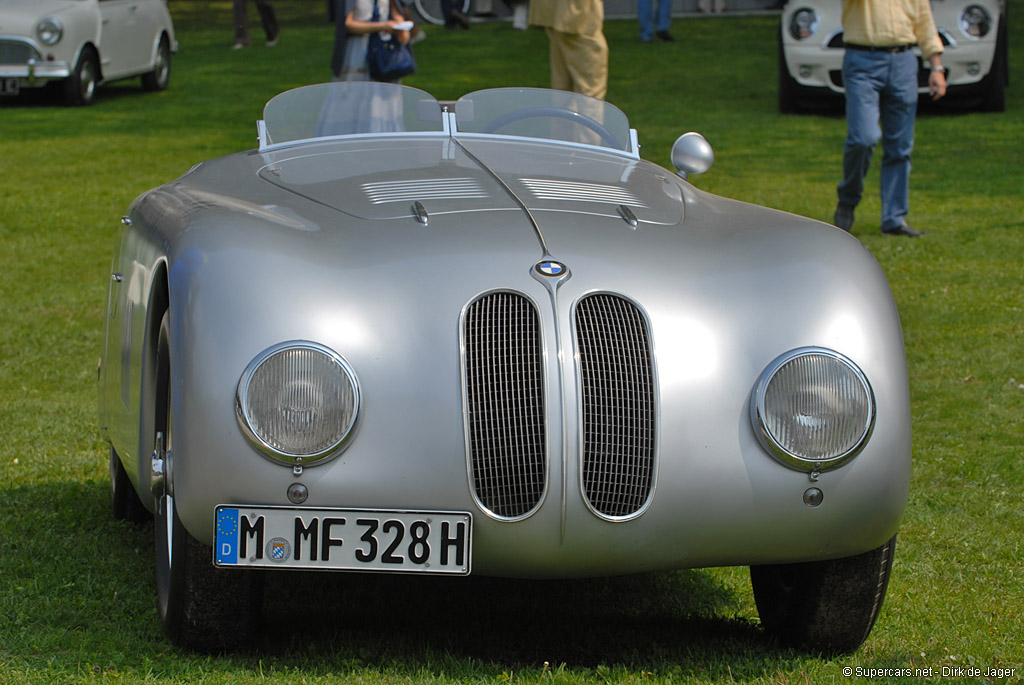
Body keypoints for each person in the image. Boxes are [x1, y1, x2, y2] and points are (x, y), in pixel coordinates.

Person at [833, 0, 946, 237]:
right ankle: (848, 198)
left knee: (900, 147)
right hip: (862, 59)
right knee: (864, 138)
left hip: (903, 61)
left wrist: (936, 67)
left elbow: (923, 20)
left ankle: (894, 220)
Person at [529, 0, 608, 99]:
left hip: (556, 12)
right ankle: (587, 114)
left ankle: (566, 113)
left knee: (563, 88)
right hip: (575, 15)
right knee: (589, 87)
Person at [328, 0, 411, 81]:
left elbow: (395, 11)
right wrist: (382, 26)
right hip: (358, 49)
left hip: (384, 49)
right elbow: (347, 25)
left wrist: (401, 27)